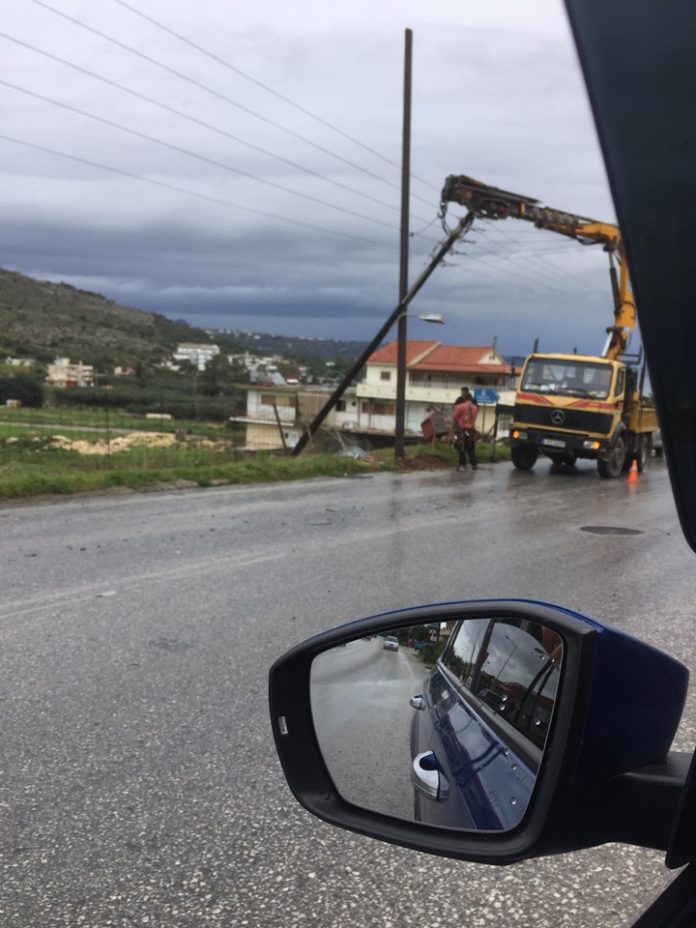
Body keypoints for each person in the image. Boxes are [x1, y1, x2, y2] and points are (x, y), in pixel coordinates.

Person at [453, 388, 479, 471]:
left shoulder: (461, 406)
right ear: (471, 399)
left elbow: (455, 417)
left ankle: (462, 465)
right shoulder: (474, 407)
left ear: (464, 399)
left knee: (461, 446)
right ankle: (474, 464)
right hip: (471, 429)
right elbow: (474, 417)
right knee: (471, 446)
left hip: (462, 429)